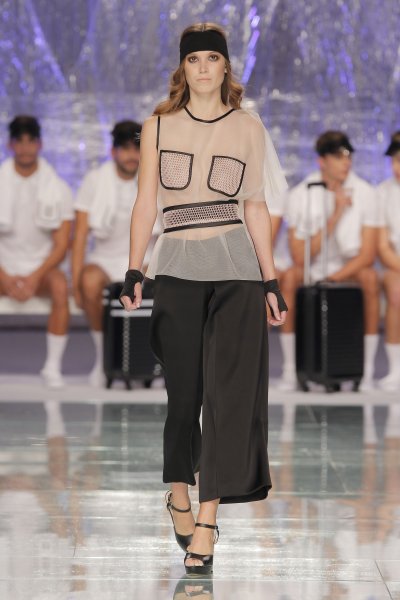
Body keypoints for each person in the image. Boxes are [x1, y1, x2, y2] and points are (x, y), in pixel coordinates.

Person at [119, 23, 288, 575]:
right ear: (183, 67)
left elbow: (255, 206)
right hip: (177, 267)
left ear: (226, 66)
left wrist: (270, 281)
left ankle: (208, 521)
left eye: (213, 58)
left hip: (237, 270)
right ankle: (178, 492)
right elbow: (146, 202)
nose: (204, 68)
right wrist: (134, 268)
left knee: (225, 399)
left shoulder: (248, 127)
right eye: (195, 59)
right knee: (184, 395)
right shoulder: (158, 125)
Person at [278, 131, 381, 392]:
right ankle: (290, 370)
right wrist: (335, 215)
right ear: (322, 161)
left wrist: (333, 277)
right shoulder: (302, 194)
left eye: (348, 157)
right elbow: (299, 256)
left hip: (347, 268)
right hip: (312, 267)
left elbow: (367, 254)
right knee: (289, 278)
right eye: (338, 157)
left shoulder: (366, 192)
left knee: (370, 278)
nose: (346, 162)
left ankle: (367, 372)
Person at [72, 120, 161, 386]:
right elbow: (80, 237)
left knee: (162, 282)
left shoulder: (155, 178)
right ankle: (104, 359)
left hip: (145, 260)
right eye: (125, 149)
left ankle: (155, 361)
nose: (132, 155)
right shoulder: (94, 180)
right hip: (105, 259)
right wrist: (75, 283)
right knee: (89, 281)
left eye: (136, 149)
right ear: (113, 152)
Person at [0, 116, 74, 388]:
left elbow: (62, 244)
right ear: (10, 145)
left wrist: (34, 277)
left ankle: (52, 367)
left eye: (31, 141)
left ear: (40, 144)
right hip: (3, 268)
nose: (25, 148)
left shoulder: (58, 187)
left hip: (41, 270)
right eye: (19, 141)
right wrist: (5, 277)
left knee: (59, 286)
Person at [377, 132, 400, 392]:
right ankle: (396, 369)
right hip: (396, 263)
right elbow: (383, 246)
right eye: (393, 161)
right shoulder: (383, 192)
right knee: (396, 292)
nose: (396, 167)